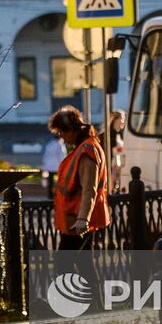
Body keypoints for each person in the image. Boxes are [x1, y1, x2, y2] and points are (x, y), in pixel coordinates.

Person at [51, 106, 110, 250]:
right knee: (85, 265)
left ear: (71, 130)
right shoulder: (84, 147)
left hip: (77, 219)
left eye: (61, 132)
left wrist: (83, 219)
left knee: (63, 265)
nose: (62, 138)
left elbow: (90, 189)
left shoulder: (86, 151)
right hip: (78, 218)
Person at [106, 110, 127, 191]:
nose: (123, 122)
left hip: (118, 166)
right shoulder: (109, 135)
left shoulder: (119, 134)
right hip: (111, 166)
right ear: (115, 120)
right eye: (121, 119)